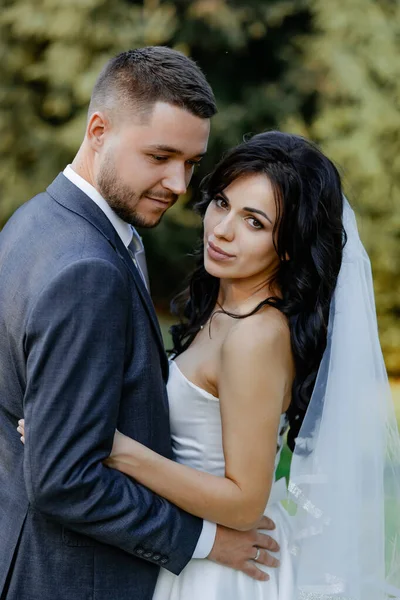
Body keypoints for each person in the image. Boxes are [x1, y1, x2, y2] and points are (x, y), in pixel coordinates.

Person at [34, 130, 397, 599]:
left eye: (254, 222)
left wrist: (108, 443)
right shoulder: (224, 307)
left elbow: (245, 503)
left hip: (224, 573)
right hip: (191, 553)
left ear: (287, 246)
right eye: (222, 203)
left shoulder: (255, 336)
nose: (221, 229)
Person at [0, 47, 280, 600]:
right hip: (71, 577)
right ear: (98, 130)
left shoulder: (35, 220)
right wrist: (202, 540)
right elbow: (64, 479)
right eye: (160, 155)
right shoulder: (87, 268)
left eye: (192, 163)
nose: (179, 184)